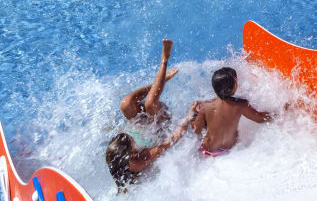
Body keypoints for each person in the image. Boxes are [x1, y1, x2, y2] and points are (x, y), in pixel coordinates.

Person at [105, 39, 190, 190]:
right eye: (129, 139)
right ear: (132, 154)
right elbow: (170, 141)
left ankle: (160, 81)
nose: (126, 135)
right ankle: (164, 60)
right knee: (150, 103)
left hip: (143, 125)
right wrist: (189, 116)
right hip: (160, 124)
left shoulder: (116, 155)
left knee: (126, 103)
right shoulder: (140, 161)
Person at [190, 66, 272, 157]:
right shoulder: (240, 105)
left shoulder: (205, 106)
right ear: (234, 86)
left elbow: (196, 129)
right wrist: (277, 113)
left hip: (207, 150)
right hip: (230, 152)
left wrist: (194, 115)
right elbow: (260, 119)